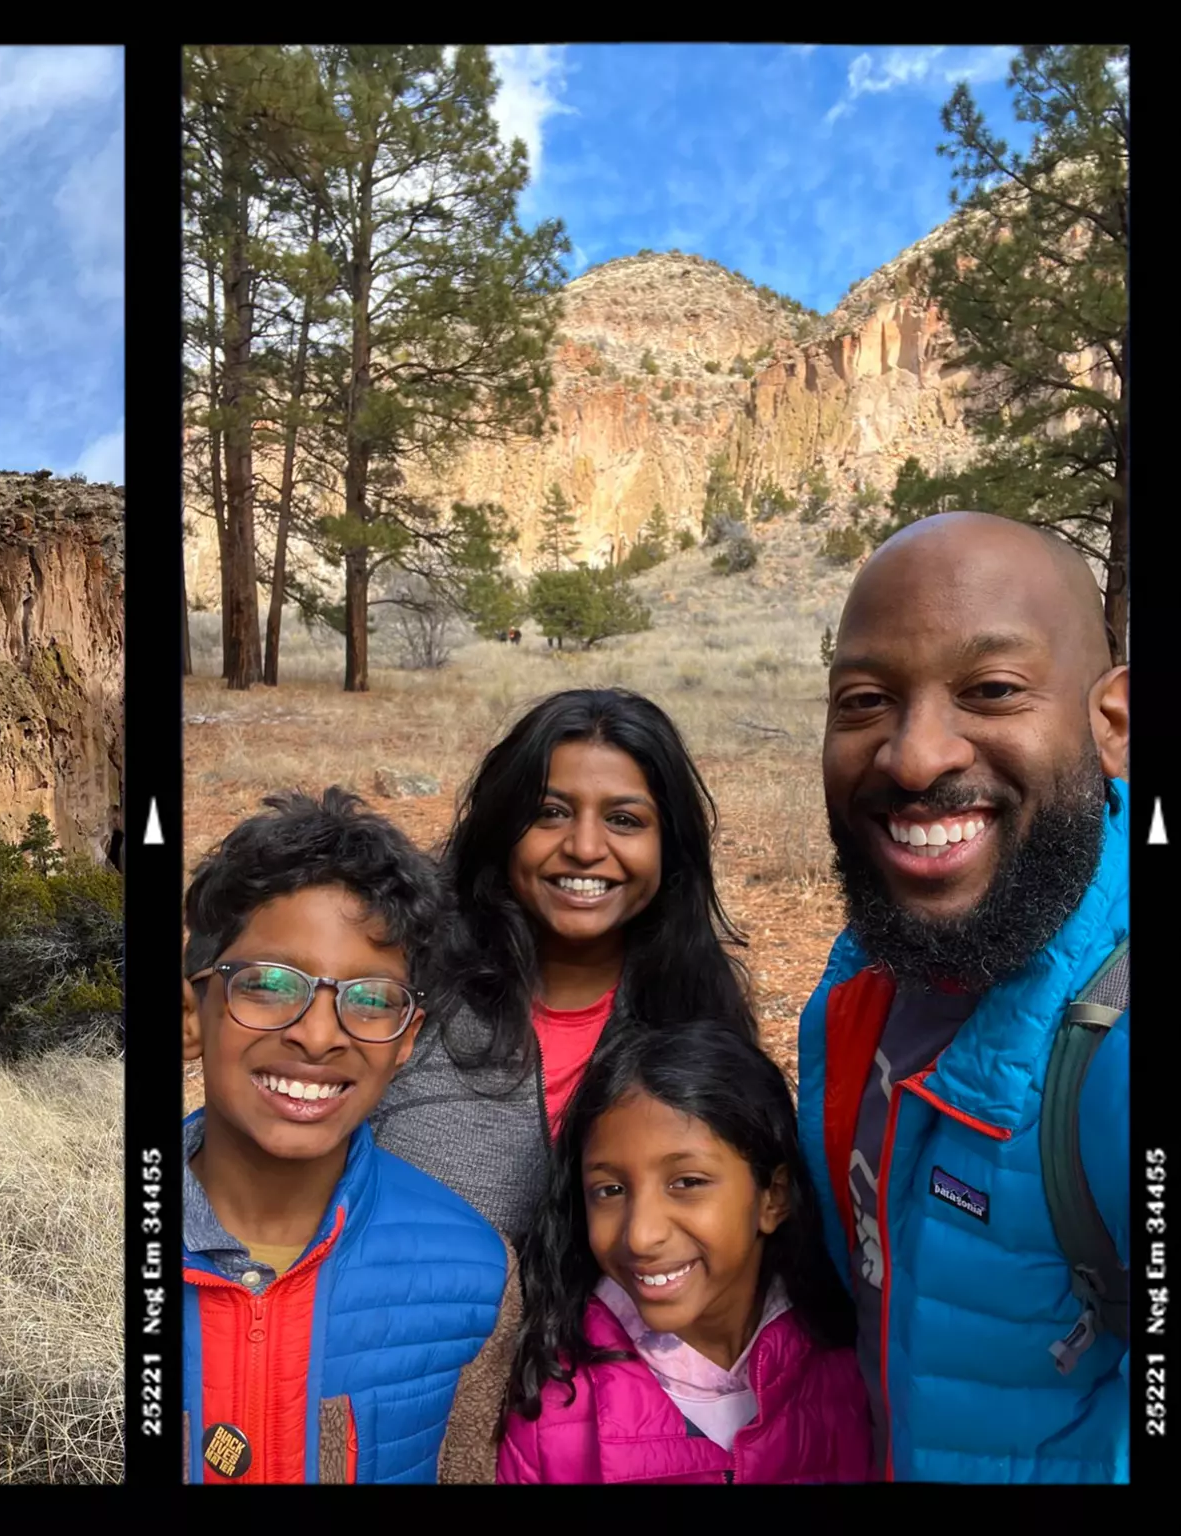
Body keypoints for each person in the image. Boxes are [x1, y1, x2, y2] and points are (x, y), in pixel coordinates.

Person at [800, 511, 1129, 1482]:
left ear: (1112, 724)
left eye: (989, 690)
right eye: (865, 700)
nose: (913, 756)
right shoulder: (859, 969)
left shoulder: (1109, 1046)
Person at [181, 789, 518, 1483]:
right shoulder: (77, 1252)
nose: (316, 1034)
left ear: (406, 1041)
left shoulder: (475, 1277)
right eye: (270, 983)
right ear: (193, 1015)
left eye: (369, 999)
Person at [373, 689, 755, 1235]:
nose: (584, 847)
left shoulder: (703, 1018)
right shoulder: (411, 987)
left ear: (670, 847)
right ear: (502, 829)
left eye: (624, 820)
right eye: (550, 813)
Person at [496, 1022, 869, 1482]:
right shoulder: (554, 1410)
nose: (641, 1235)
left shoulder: (855, 1372)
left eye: (687, 1183)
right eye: (610, 1190)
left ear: (773, 1197)